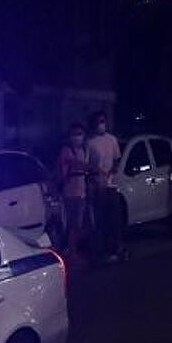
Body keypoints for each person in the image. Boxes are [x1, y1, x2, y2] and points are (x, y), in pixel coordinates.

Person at [85, 111, 126, 260]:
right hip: (98, 185)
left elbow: (116, 159)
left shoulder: (112, 140)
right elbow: (87, 164)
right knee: (100, 219)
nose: (101, 124)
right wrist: (96, 173)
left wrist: (112, 171)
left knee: (114, 218)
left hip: (111, 184)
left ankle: (115, 248)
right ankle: (101, 250)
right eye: (98, 122)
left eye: (103, 121)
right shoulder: (90, 142)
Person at [54, 123, 90, 257]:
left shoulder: (84, 150)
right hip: (70, 193)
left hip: (82, 193)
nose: (77, 137)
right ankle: (71, 250)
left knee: (78, 225)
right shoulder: (66, 150)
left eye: (80, 134)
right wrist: (93, 168)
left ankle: (72, 249)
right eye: (74, 134)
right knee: (72, 224)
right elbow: (75, 164)